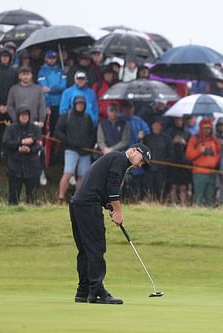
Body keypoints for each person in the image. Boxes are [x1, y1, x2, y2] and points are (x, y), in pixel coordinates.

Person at [69, 143, 152, 304]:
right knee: (96, 248)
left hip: (78, 204)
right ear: (134, 151)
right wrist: (118, 211)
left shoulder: (113, 159)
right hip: (88, 205)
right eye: (142, 161)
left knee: (86, 250)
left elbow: (102, 186)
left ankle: (83, 291)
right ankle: (97, 291)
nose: (140, 165)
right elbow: (113, 187)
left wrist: (109, 205)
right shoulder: (120, 159)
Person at [54, 96, 96, 203]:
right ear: (74, 104)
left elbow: (92, 133)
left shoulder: (87, 117)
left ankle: (78, 198)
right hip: (71, 150)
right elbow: (57, 131)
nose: (80, 106)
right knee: (68, 173)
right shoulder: (66, 116)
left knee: (82, 176)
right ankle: (61, 197)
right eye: (78, 104)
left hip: (85, 152)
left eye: (82, 104)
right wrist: (68, 141)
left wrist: (89, 144)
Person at [2, 106, 42, 205]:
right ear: (18, 116)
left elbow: (40, 144)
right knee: (13, 197)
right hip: (15, 166)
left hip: (32, 165)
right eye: (22, 115)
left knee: (32, 196)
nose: (24, 117)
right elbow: (6, 143)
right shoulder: (11, 128)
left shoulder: (36, 128)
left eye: (26, 115)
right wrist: (20, 143)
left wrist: (30, 149)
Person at [185, 118, 222, 206]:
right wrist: (199, 151)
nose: (207, 130)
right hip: (199, 172)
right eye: (205, 128)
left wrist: (214, 162)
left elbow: (219, 154)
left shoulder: (215, 140)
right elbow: (189, 155)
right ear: (201, 128)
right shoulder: (194, 139)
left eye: (209, 128)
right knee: (198, 196)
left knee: (210, 198)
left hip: (212, 172)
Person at [142, 117, 173, 201]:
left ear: (161, 127)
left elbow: (170, 153)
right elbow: (142, 151)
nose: (156, 127)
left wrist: (164, 164)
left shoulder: (166, 138)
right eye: (154, 125)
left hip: (161, 170)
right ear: (151, 126)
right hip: (149, 169)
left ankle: (159, 203)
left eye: (158, 125)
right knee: (148, 188)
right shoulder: (147, 138)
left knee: (159, 189)